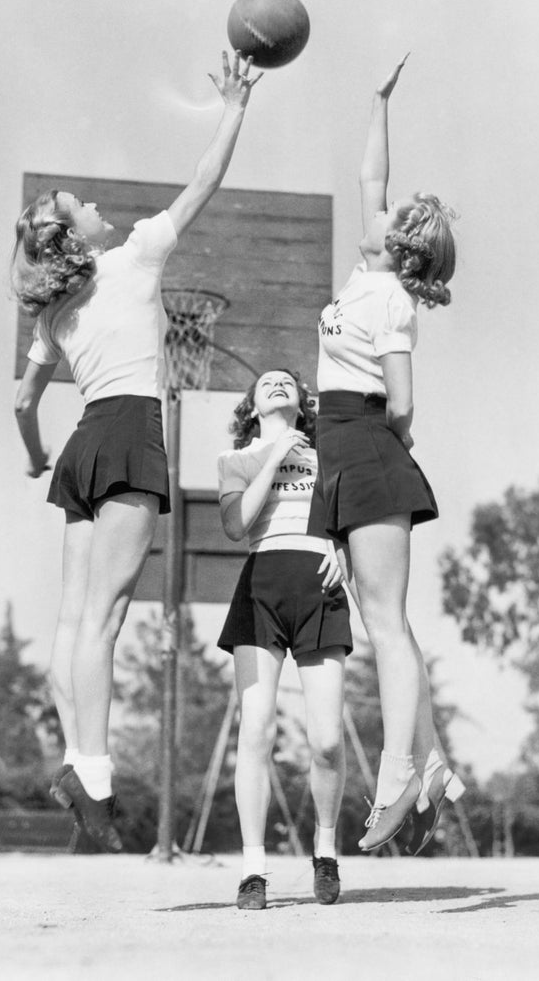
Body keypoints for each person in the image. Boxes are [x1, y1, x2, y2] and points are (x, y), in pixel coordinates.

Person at [11, 52, 262, 852]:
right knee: (107, 619)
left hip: (82, 443)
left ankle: (79, 757)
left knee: (74, 620)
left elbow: (22, 401)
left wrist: (33, 454)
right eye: (75, 204)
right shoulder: (138, 256)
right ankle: (92, 770)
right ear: (70, 237)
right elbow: (205, 179)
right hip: (126, 433)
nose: (90, 202)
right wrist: (234, 106)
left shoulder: (52, 317)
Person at [309, 55, 464, 856]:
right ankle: (432, 762)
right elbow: (371, 174)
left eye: (392, 213)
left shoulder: (393, 301)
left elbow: (403, 403)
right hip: (343, 451)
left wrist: (383, 452)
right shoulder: (365, 272)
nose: (377, 208)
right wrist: (376, 99)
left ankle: (402, 770)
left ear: (399, 245)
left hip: (366, 446)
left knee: (386, 625)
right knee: (382, 622)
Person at [217, 368, 352, 909]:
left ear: (303, 402)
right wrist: (274, 454)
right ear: (252, 405)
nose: (276, 384)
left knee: (326, 741)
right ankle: (254, 870)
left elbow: (349, 525)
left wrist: (342, 548)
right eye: (265, 383)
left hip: (319, 589)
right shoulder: (237, 460)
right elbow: (235, 524)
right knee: (256, 730)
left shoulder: (330, 458)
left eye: (286, 381)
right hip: (262, 587)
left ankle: (325, 850)